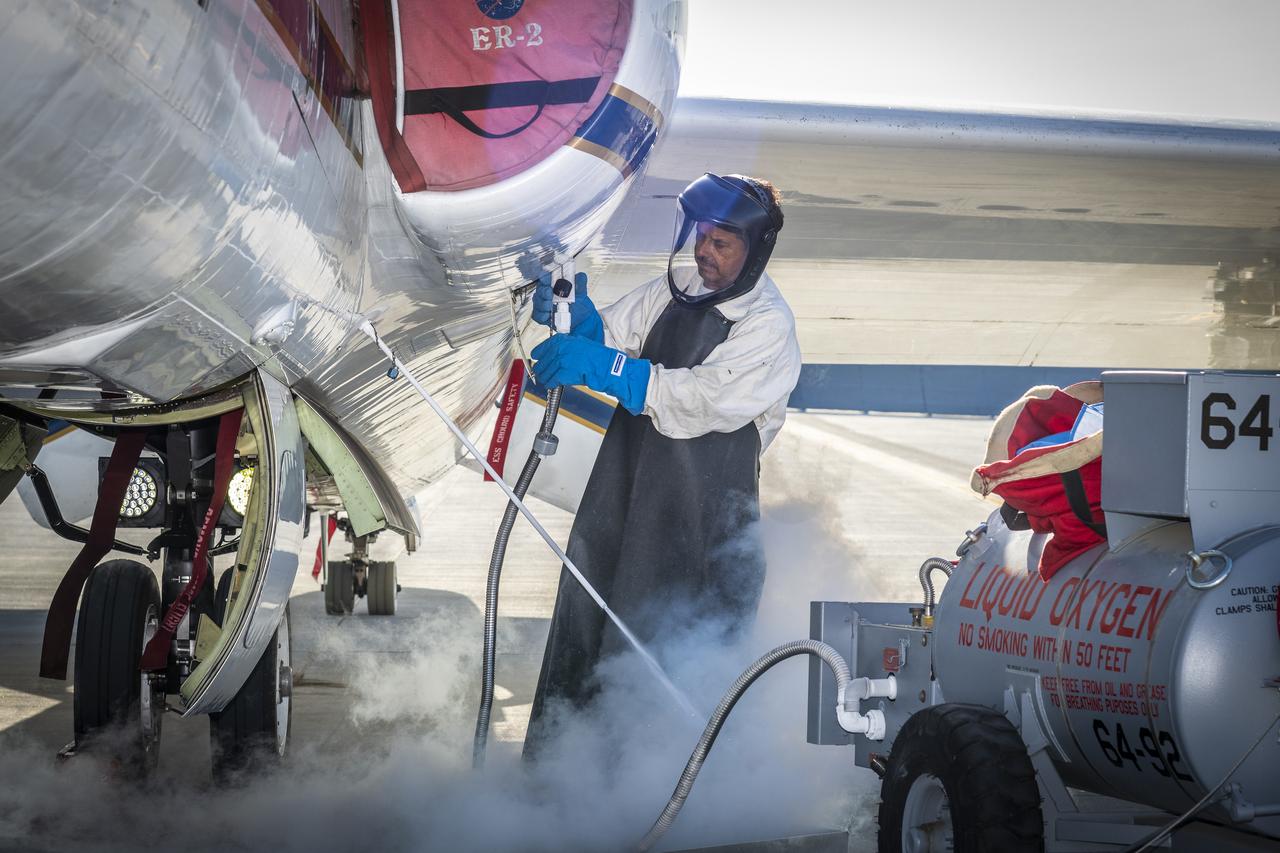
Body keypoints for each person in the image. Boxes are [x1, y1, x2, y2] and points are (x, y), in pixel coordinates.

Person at [522, 173, 801, 757]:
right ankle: (561, 784)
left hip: (699, 515)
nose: (704, 251)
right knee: (589, 621)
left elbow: (698, 401)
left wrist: (604, 370)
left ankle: (662, 799)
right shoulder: (677, 290)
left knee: (671, 645)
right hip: (626, 490)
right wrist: (578, 322)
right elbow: (615, 341)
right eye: (701, 236)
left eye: (722, 243)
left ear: (756, 252)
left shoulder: (766, 324)